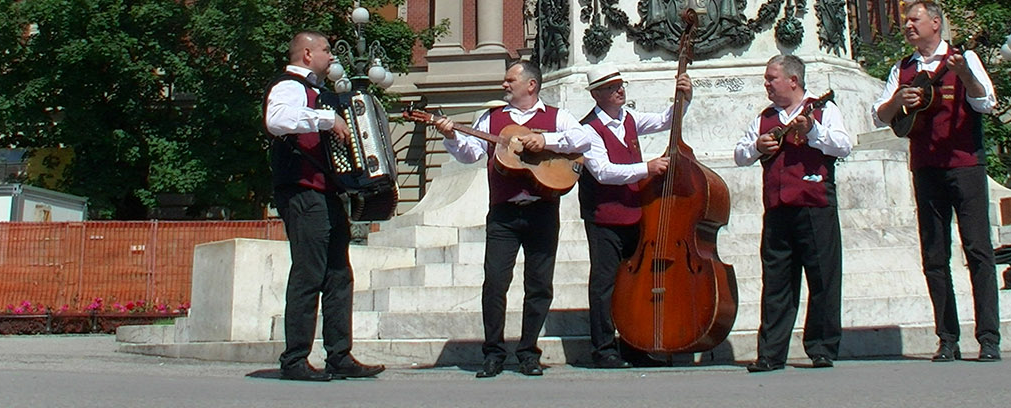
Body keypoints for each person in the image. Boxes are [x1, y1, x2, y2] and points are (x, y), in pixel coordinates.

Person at [425, 59, 591, 378]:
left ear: (531, 85)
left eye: (509, 79)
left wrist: (546, 141)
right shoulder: (491, 117)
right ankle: (493, 352)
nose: (504, 84)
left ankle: (528, 352)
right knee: (495, 283)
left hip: (543, 209)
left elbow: (583, 141)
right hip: (503, 213)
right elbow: (470, 154)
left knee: (539, 284)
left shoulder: (558, 117)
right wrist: (450, 136)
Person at [873, 1, 1001, 363]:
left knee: (978, 251)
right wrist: (898, 100)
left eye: (915, 19)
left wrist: (965, 77)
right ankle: (947, 338)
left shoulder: (964, 58)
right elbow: (881, 116)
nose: (908, 25)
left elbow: (986, 102)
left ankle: (988, 338)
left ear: (935, 22)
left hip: (965, 164)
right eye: (906, 21)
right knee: (934, 255)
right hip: (926, 166)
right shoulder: (903, 68)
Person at [263, 31, 386, 381]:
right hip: (301, 191)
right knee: (308, 272)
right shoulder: (290, 85)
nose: (332, 56)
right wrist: (326, 120)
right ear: (306, 54)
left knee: (338, 275)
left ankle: (339, 355)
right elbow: (277, 121)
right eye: (326, 50)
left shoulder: (321, 93)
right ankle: (295, 359)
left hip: (326, 192)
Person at [733, 54, 852, 372]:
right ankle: (771, 353)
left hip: (815, 204)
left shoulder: (823, 109)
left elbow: (843, 145)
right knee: (776, 282)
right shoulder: (764, 117)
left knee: (823, 279)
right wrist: (758, 146)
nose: (767, 84)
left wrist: (812, 132)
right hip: (777, 208)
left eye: (772, 78)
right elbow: (740, 154)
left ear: (793, 81)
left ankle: (822, 347)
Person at [575, 66, 692, 368]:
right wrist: (647, 168)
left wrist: (684, 99)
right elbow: (603, 172)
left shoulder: (629, 118)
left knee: (633, 283)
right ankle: (603, 348)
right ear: (597, 94)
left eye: (620, 85)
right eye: (612, 87)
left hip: (633, 213)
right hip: (605, 216)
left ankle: (633, 343)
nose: (620, 91)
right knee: (605, 284)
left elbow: (666, 121)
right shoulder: (587, 129)